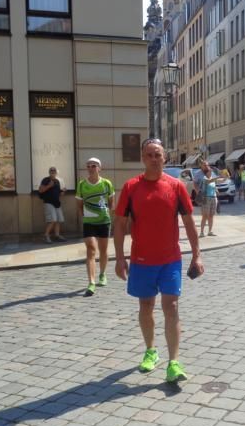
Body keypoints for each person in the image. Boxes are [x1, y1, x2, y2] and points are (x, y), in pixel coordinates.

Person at [113, 138, 204, 383]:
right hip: (141, 260)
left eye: (158, 155)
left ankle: (174, 362)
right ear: (143, 158)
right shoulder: (131, 187)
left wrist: (197, 254)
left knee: (171, 306)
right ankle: (151, 350)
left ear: (165, 158)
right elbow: (119, 224)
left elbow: (189, 223)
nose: (154, 159)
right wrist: (120, 258)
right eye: (149, 155)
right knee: (146, 306)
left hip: (170, 259)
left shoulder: (176, 186)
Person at [76, 157, 114, 296]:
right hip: (89, 222)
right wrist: (85, 216)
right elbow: (79, 204)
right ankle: (91, 282)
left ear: (99, 168)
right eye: (88, 166)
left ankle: (102, 274)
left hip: (104, 221)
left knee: (103, 250)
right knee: (91, 249)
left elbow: (111, 202)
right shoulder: (82, 184)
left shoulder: (106, 183)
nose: (91, 168)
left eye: (94, 165)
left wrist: (105, 213)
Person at [38, 167, 67, 244]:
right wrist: (49, 186)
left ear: (56, 172)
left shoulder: (58, 181)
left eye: (54, 170)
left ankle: (57, 235)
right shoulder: (45, 180)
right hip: (48, 202)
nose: (53, 171)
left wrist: (63, 191)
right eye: (51, 170)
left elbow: (59, 193)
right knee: (53, 220)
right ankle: (46, 235)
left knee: (59, 220)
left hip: (57, 203)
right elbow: (40, 190)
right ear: (49, 172)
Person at [197, 163, 219, 237]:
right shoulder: (204, 178)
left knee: (211, 215)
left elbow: (215, 184)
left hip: (213, 198)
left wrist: (225, 178)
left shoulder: (212, 179)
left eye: (211, 171)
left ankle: (210, 231)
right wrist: (219, 177)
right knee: (205, 216)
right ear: (206, 173)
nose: (211, 172)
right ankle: (202, 232)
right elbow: (209, 181)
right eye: (210, 171)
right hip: (206, 198)